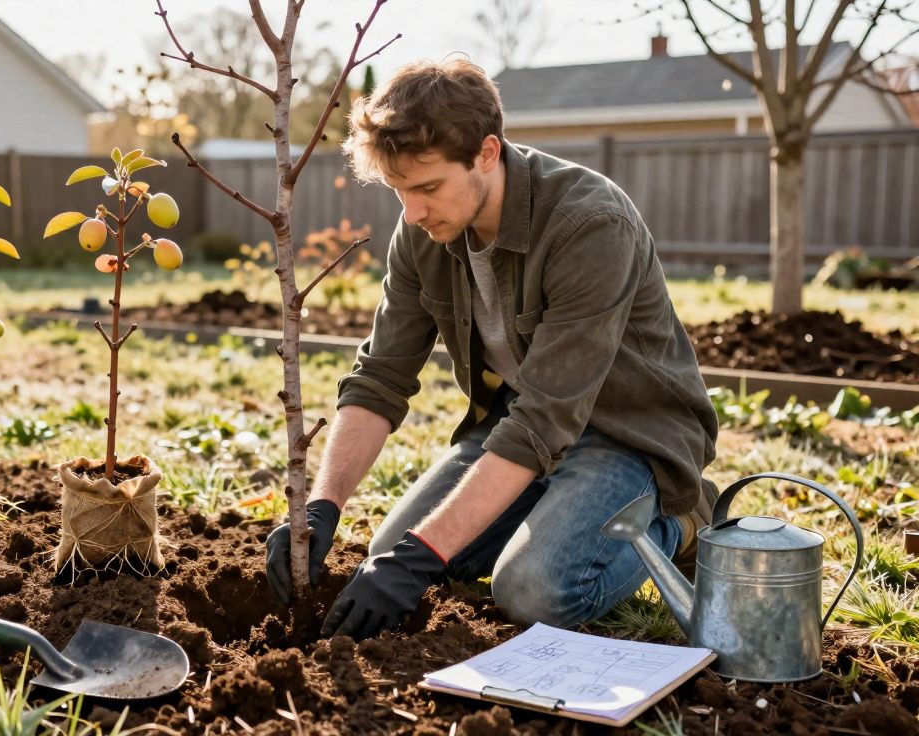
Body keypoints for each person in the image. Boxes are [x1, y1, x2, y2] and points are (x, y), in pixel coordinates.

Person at [264, 58, 719, 641]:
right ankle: (556, 511)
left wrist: (418, 557)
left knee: (533, 591)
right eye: (400, 190)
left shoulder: (590, 224)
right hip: (516, 427)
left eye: (428, 188)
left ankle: (681, 520)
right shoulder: (424, 232)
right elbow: (379, 378)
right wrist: (319, 508)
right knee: (391, 549)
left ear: (486, 153)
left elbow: (549, 414)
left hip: (627, 434)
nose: (413, 212)